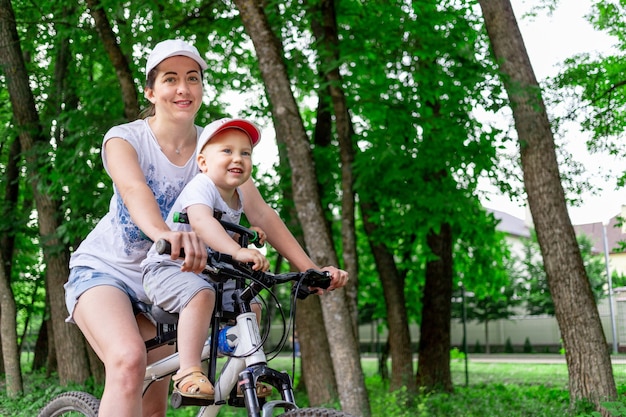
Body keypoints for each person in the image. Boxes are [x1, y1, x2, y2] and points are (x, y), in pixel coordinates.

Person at [64, 38, 348, 417]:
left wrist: (308, 268)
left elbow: (261, 213)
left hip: (171, 280)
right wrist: (165, 234)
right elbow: (134, 190)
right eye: (170, 79)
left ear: (201, 87)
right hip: (107, 272)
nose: (182, 88)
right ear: (151, 90)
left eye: (192, 78)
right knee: (128, 362)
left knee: (152, 402)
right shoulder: (125, 138)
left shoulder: (218, 148)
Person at [142, 117, 270, 400]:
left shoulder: (236, 198)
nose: (237, 158)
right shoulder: (202, 185)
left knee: (251, 304)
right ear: (203, 162)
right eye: (227, 151)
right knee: (200, 293)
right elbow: (201, 222)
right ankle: (187, 371)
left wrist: (244, 239)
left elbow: (219, 240)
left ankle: (244, 376)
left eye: (245, 153)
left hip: (207, 274)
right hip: (168, 269)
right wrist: (238, 251)